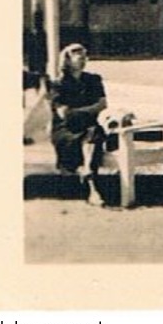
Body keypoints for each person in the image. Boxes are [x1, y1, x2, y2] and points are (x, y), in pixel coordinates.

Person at [49, 44, 107, 206]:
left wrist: (77, 111)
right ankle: (92, 187)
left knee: (94, 134)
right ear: (67, 60)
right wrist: (89, 109)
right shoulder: (58, 84)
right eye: (79, 58)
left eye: (85, 57)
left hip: (88, 125)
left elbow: (102, 104)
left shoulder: (93, 80)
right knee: (88, 138)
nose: (83, 61)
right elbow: (64, 114)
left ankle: (88, 174)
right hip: (65, 128)